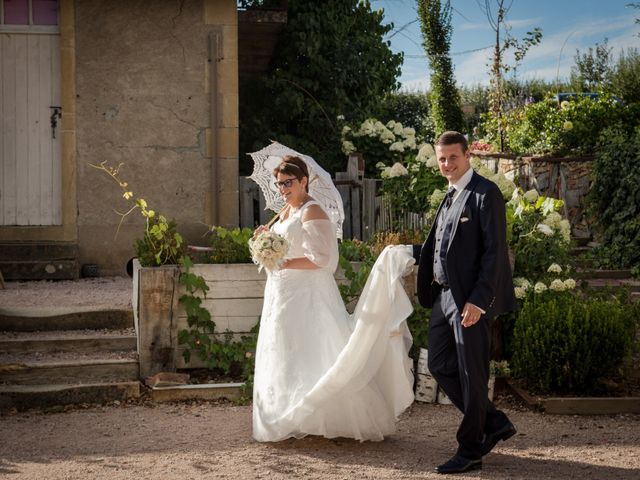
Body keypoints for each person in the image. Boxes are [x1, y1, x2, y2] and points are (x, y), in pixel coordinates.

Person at [252, 155, 414, 442]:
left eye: (288, 183)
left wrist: (283, 261)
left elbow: (324, 260)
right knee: (287, 351)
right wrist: (263, 240)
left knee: (315, 349)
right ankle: (292, 412)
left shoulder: (312, 211)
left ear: (304, 181)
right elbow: (284, 247)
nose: (283, 189)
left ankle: (328, 413)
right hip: (282, 294)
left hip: (307, 295)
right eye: (279, 184)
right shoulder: (286, 213)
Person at [412, 131, 517, 474]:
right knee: (440, 365)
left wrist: (479, 300)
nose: (446, 164)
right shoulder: (450, 195)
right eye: (441, 159)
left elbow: (494, 254)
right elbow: (446, 247)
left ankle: (471, 449)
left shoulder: (486, 194)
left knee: (473, 375)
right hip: (443, 297)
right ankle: (494, 421)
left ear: (468, 155)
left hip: (470, 301)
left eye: (453, 157)